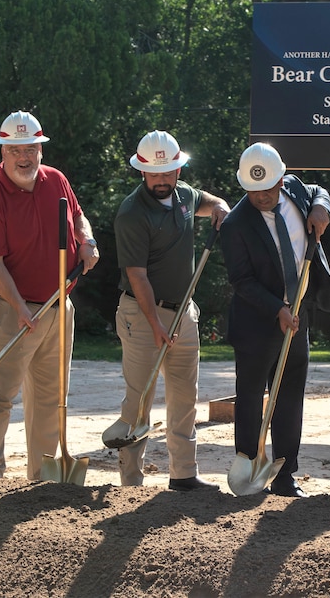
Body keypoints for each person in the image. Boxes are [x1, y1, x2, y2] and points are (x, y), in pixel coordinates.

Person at [0, 110, 100, 480]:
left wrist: (86, 240)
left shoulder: (55, 179)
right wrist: (21, 308)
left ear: (40, 149)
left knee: (50, 397)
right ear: (3, 152)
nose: (24, 158)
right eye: (15, 150)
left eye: (30, 149)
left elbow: (77, 216)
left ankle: (42, 475)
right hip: (5, 308)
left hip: (58, 306)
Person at [103, 131, 230, 490]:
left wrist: (219, 207)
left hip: (184, 312)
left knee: (184, 395)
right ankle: (130, 481)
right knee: (140, 397)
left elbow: (211, 202)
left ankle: (184, 475)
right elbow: (137, 276)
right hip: (142, 314)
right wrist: (156, 323)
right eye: (154, 173)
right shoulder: (132, 213)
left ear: (178, 169)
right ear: (142, 172)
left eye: (168, 172)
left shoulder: (185, 195)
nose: (161, 180)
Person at [220, 142, 330, 497]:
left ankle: (286, 474)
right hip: (258, 321)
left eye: (268, 189)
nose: (261, 197)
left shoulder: (297, 189)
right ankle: (250, 463)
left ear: (281, 179)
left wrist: (320, 206)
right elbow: (242, 281)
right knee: (252, 398)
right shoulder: (235, 224)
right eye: (253, 192)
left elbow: (319, 191)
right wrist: (277, 309)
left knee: (289, 399)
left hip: (296, 314)